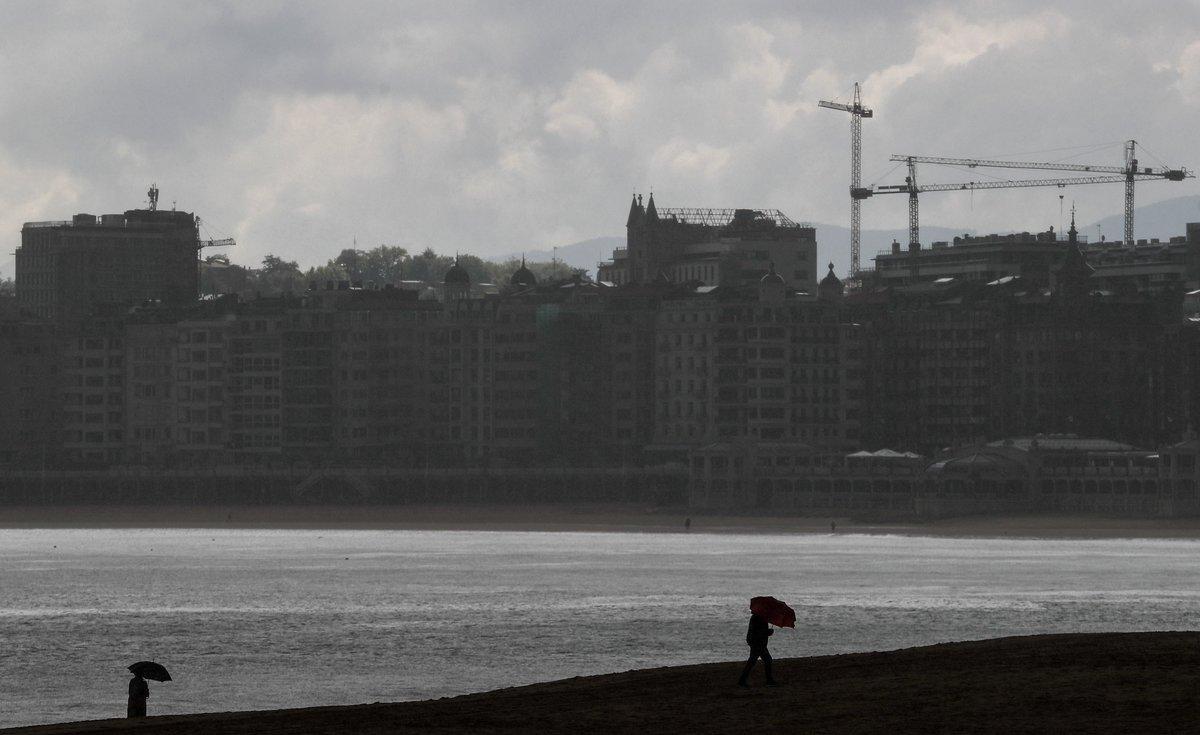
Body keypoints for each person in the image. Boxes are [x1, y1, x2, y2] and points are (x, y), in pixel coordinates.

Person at [737, 612, 778, 687]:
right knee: (766, 660)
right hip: (758, 643)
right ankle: (769, 681)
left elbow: (758, 631)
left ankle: (742, 680)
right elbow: (759, 632)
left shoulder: (757, 617)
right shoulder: (759, 618)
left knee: (753, 661)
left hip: (756, 642)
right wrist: (768, 632)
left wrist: (767, 632)